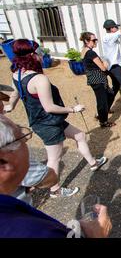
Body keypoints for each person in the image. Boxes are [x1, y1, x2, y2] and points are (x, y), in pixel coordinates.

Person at [4, 39, 108, 198]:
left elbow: (16, 92)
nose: (42, 55)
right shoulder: (39, 79)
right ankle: (55, 190)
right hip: (48, 123)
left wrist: (10, 105)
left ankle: (93, 163)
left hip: (47, 120)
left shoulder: (17, 72)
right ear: (32, 55)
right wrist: (73, 109)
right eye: (39, 52)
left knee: (80, 135)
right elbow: (50, 107)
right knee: (54, 158)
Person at [0, 115, 112, 238]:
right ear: (5, 160)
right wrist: (98, 234)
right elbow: (50, 177)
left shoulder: (10, 210)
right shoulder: (32, 230)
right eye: (22, 136)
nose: (26, 142)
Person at [80, 32, 116, 128]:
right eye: (94, 40)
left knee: (110, 94)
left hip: (93, 78)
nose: (96, 42)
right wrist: (105, 62)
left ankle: (102, 114)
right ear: (86, 41)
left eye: (96, 40)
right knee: (102, 101)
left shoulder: (84, 51)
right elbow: (103, 68)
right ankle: (103, 121)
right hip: (98, 79)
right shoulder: (91, 53)